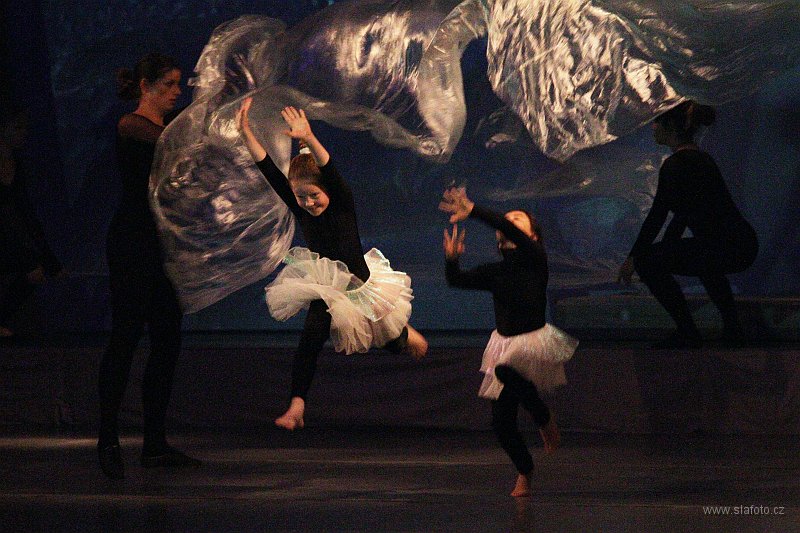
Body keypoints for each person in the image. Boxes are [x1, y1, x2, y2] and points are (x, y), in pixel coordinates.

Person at [237, 100, 428, 431]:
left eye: (314, 195)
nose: (309, 203)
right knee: (311, 337)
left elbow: (328, 168)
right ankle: (297, 405)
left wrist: (309, 137)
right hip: (326, 287)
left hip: (361, 286)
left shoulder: (341, 202)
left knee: (385, 337)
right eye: (301, 198)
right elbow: (267, 167)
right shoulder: (300, 205)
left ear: (327, 190)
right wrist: (245, 133)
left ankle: (404, 335)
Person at [97, 53, 200, 480]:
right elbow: (169, 152)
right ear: (145, 86)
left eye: (178, 84)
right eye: (168, 84)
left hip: (160, 245)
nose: (176, 91)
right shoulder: (133, 126)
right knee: (125, 337)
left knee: (167, 338)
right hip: (133, 243)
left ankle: (154, 443)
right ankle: (107, 439)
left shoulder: (168, 130)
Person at [439, 187, 577, 497]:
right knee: (501, 423)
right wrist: (452, 260)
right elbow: (456, 280)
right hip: (504, 343)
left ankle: (543, 418)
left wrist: (474, 210)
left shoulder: (535, 258)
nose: (510, 221)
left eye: (518, 219)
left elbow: (507, 228)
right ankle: (525, 470)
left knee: (506, 370)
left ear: (533, 235)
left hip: (532, 342)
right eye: (508, 218)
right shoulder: (495, 271)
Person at [617, 101, 759, 348]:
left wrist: (635, 258)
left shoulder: (676, 165)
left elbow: (657, 216)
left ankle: (688, 331)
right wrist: (665, 253)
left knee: (651, 261)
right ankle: (732, 329)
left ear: (671, 127)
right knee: (704, 261)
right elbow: (682, 216)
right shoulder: (701, 160)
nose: (653, 127)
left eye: (658, 121)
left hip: (725, 246)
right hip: (739, 243)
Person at [0, 109, 63, 340]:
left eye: (24, 128)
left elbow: (24, 210)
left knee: (34, 272)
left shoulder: (16, 163)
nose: (23, 133)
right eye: (17, 128)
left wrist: (46, 256)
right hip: (7, 233)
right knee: (31, 271)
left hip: (11, 233)